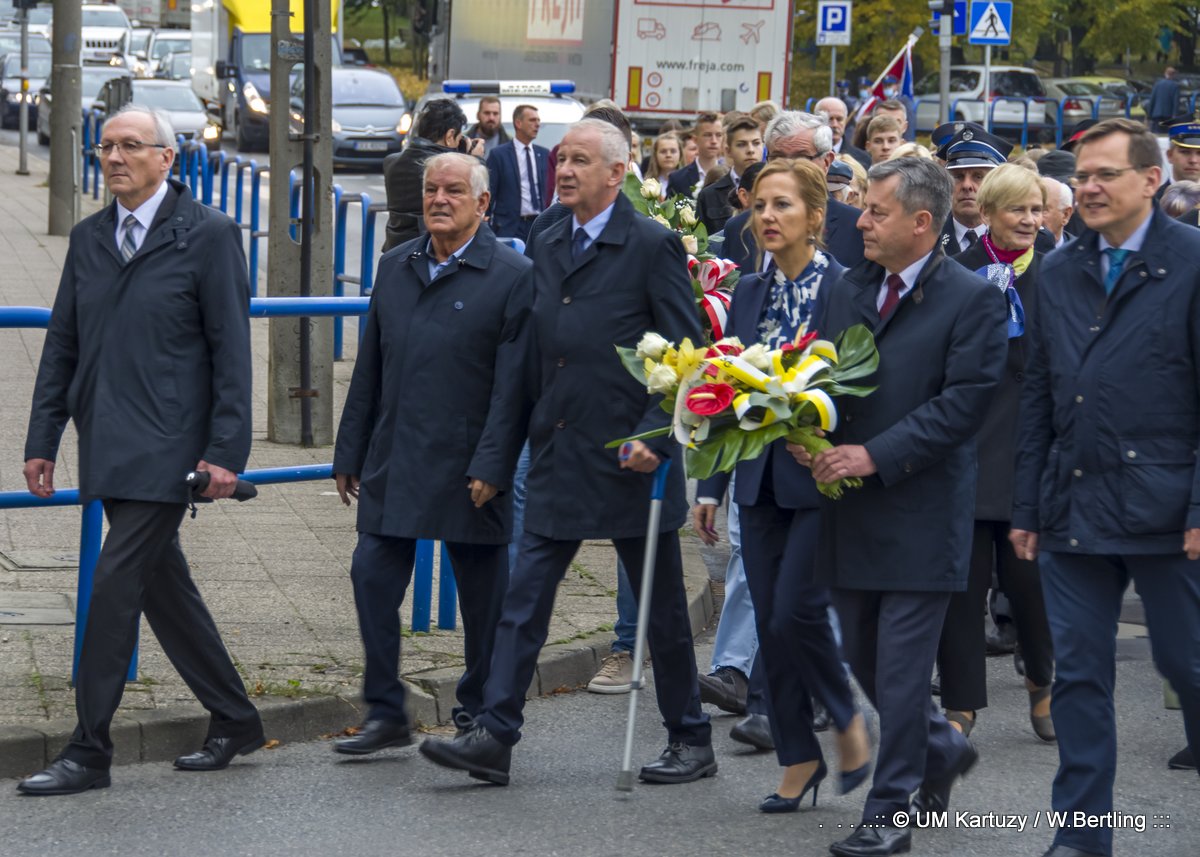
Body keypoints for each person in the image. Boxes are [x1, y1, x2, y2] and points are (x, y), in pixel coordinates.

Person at [419, 118, 713, 786]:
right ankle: (494, 735)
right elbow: (521, 359)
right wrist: (496, 459)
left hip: (626, 457)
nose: (566, 169)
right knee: (523, 602)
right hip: (556, 450)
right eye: (562, 158)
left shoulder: (651, 244)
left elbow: (686, 357)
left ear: (618, 172)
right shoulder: (546, 237)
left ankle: (690, 736)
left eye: (582, 159)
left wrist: (655, 434)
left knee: (662, 611)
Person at [18, 105, 262, 795]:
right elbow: (61, 342)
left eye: (131, 146)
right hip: (109, 440)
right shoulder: (91, 236)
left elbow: (231, 352)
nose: (115, 156)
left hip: (172, 446)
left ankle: (89, 749)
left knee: (115, 583)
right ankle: (236, 717)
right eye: (106, 146)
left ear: (168, 158)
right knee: (164, 589)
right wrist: (43, 438)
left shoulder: (209, 235)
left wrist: (224, 451)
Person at [793, 156, 1008, 856]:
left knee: (903, 669)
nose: (860, 221)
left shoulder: (972, 297)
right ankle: (940, 743)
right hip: (849, 510)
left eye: (875, 211)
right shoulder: (845, 287)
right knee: (861, 654)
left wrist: (875, 454)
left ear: (922, 222)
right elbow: (819, 375)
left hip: (921, 511)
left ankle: (889, 811)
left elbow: (964, 403)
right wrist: (803, 430)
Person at [1010, 117, 1200, 857]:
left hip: (1167, 508)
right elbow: (1039, 398)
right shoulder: (1055, 268)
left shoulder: (1190, 262)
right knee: (1081, 676)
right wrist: (1026, 505)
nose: (1087, 186)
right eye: (1082, 174)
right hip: (1074, 506)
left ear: (1150, 181)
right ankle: (1082, 837)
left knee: (1189, 664)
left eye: (1105, 174)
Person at [330, 153, 532, 755]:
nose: (439, 200)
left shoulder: (513, 275)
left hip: (472, 469)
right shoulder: (395, 266)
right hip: (397, 457)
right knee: (370, 576)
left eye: (453, 191)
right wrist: (350, 450)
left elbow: (514, 388)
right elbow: (370, 368)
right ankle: (387, 709)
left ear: (483, 203)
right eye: (431, 190)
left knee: (482, 603)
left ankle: (477, 711)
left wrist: (495, 465)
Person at [694, 159, 873, 813]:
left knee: (797, 607)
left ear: (815, 217)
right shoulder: (745, 291)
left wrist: (821, 431)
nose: (767, 217)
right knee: (769, 622)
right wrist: (710, 485)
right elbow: (724, 391)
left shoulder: (848, 290)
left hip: (820, 478)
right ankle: (799, 755)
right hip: (756, 479)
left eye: (783, 206)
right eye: (760, 205)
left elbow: (861, 387)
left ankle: (847, 716)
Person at [935, 163, 1056, 744]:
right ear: (987, 214)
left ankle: (1042, 680)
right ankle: (961, 701)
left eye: (1036, 210)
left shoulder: (1056, 276)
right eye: (1018, 210)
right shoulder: (953, 273)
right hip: (965, 446)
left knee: (1027, 582)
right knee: (961, 583)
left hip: (1030, 451)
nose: (1030, 221)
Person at [721, 111, 867, 275]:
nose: (787, 169)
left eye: (801, 158)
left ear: (827, 162)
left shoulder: (858, 228)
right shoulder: (738, 229)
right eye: (777, 158)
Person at [382, 99, 482, 251]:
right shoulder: (440, 169)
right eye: (458, 138)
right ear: (450, 136)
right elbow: (478, 201)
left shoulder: (391, 162)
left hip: (395, 249)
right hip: (431, 250)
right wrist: (476, 161)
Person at [935, 124, 1014, 255]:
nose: (967, 185)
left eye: (978, 176)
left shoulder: (1016, 236)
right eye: (958, 177)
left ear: (997, 183)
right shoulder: (929, 238)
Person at [485, 104, 549, 242]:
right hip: (510, 227)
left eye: (538, 120)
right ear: (518, 123)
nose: (537, 124)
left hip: (539, 226)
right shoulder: (499, 155)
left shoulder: (544, 154)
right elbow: (489, 193)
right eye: (532, 120)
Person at [696, 112, 763, 233]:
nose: (751, 150)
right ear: (728, 150)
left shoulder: (779, 188)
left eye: (756, 143)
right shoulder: (709, 196)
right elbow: (701, 246)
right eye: (741, 144)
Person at [667, 111, 724, 197]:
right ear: (695, 140)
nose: (714, 141)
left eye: (718, 135)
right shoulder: (677, 179)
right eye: (707, 135)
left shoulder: (730, 175)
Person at [816, 95, 870, 171]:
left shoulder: (863, 159)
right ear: (817, 120)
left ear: (845, 120)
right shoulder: (806, 156)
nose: (835, 125)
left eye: (839, 119)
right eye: (829, 119)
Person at [1042, 177, 1076, 246]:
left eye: (1043, 210)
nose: (1032, 219)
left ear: (1065, 215)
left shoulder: (1081, 254)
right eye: (1033, 209)